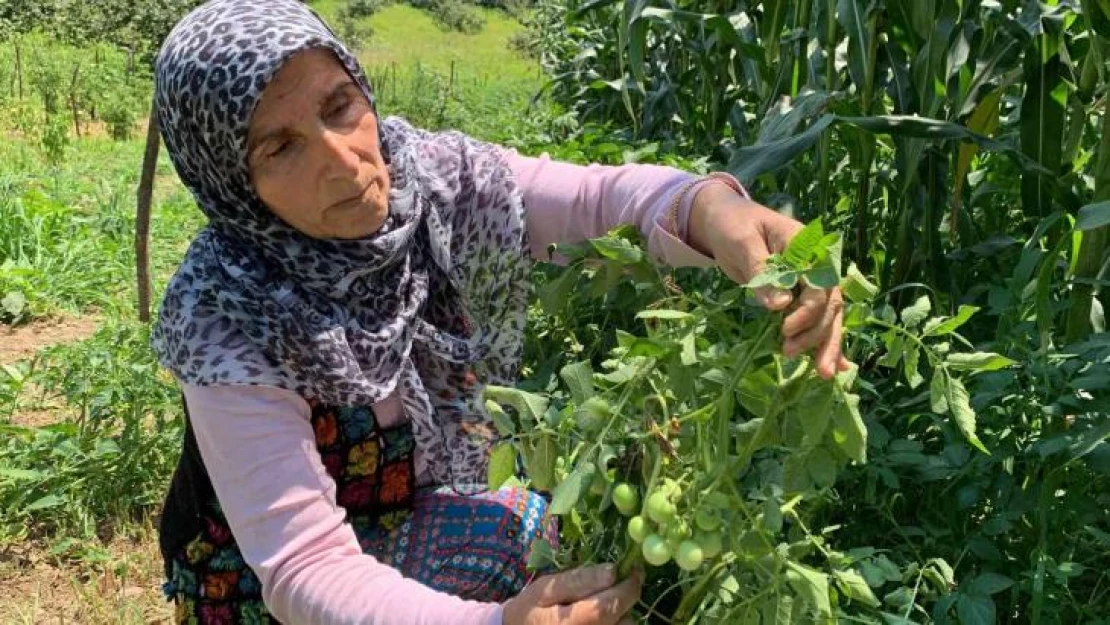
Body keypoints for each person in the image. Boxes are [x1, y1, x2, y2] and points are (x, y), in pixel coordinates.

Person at [150, 1, 849, 623]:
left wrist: (710, 206)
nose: (342, 161)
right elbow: (306, 569)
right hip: (260, 593)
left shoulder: (433, 180)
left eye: (338, 106)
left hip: (398, 512)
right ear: (230, 181)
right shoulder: (227, 313)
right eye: (279, 145)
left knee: (535, 530)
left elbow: (597, 201)